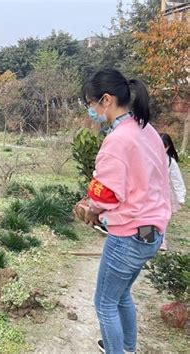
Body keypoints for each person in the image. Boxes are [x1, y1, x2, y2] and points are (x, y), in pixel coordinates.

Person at [81, 69, 171, 353]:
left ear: (106, 100)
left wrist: (90, 207)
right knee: (121, 296)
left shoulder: (118, 140)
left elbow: (106, 192)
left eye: (90, 103)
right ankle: (127, 348)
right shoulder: (147, 130)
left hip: (128, 236)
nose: (90, 110)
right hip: (152, 233)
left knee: (104, 303)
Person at [159, 133, 186, 251]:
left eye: (164, 146)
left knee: (163, 218)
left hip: (165, 196)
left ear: (168, 146)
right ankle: (147, 240)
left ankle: (161, 240)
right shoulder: (147, 158)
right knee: (147, 218)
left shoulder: (171, 162)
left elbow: (177, 180)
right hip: (149, 195)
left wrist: (181, 197)